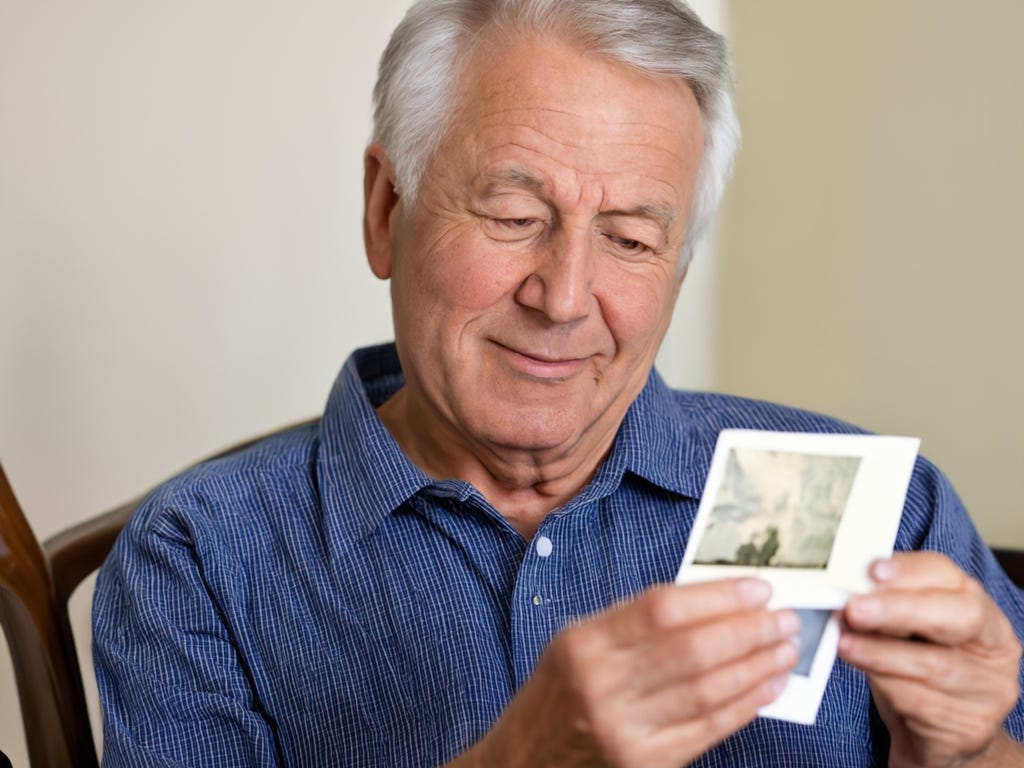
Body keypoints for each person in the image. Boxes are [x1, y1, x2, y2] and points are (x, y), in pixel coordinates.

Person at [92, 0, 1024, 766]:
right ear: (385, 210)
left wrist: (969, 756)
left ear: (678, 269)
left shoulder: (874, 499)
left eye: (630, 239)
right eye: (512, 213)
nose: (566, 297)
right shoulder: (201, 557)